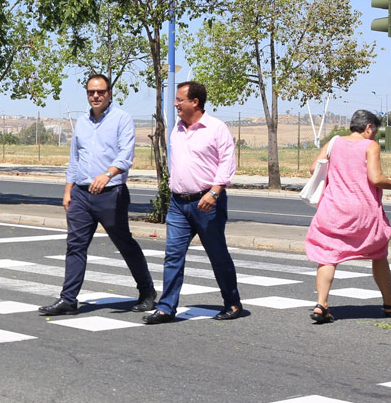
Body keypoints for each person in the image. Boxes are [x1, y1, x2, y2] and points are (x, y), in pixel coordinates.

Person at [39, 74, 157, 316]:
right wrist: (68, 190)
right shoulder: (82, 122)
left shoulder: (122, 119)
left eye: (100, 92)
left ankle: (147, 292)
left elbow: (125, 155)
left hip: (111, 193)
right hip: (81, 194)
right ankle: (68, 299)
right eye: (91, 92)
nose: (95, 96)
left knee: (124, 243)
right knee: (75, 245)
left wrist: (107, 174)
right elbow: (75, 159)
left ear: (109, 94)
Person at [144, 81, 243, 324]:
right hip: (178, 204)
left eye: (180, 100)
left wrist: (215, 193)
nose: (175, 104)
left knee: (217, 254)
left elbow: (227, 163)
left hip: (207, 202)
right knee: (173, 256)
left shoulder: (216, 128)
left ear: (195, 102)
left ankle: (232, 302)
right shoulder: (177, 129)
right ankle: (166, 308)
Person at [303, 110, 391, 323]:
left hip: (332, 209)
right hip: (363, 211)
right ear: (368, 127)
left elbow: (313, 168)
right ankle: (389, 301)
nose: (374, 135)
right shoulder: (370, 146)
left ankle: (321, 304)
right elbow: (375, 178)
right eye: (375, 130)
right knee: (378, 252)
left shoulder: (333, 142)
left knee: (327, 255)